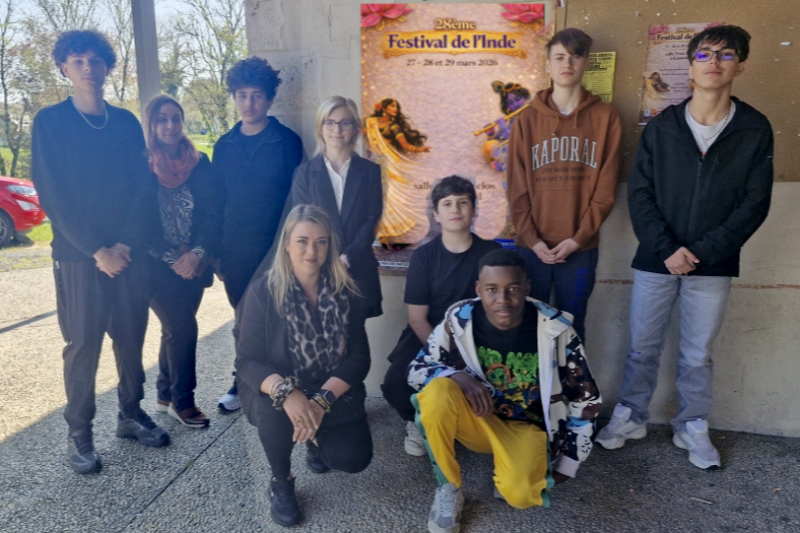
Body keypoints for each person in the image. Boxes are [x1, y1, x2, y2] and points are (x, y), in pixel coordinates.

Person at [596, 25, 774, 470]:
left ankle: (691, 424)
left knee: (697, 354)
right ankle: (631, 415)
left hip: (713, 264)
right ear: (691, 67)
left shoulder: (754, 128)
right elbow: (641, 195)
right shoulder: (663, 126)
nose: (714, 62)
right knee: (642, 346)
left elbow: (755, 202)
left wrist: (704, 252)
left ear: (740, 66)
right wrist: (667, 249)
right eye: (705, 54)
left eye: (726, 55)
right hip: (657, 258)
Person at [32, 30, 168, 474]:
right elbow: (52, 193)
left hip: (128, 255)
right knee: (83, 345)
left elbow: (142, 187)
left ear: (108, 65)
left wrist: (124, 244)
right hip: (78, 257)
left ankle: (130, 415)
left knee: (130, 339)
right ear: (64, 68)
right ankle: (81, 434)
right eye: (78, 61)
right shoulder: (50, 122)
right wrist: (96, 249)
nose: (88, 68)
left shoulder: (125, 123)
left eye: (95, 60)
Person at [407, 249, 601, 533]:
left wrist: (570, 462)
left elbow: (585, 398)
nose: (502, 299)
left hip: (527, 429)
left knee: (521, 495)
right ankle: (448, 487)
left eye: (513, 289)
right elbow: (417, 369)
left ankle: (511, 468)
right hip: (479, 421)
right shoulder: (459, 320)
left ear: (527, 288)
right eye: (491, 289)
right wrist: (458, 377)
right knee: (437, 392)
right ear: (478, 289)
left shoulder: (557, 330)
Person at [236, 204, 373, 527]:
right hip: (278, 383)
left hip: (328, 385)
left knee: (353, 458)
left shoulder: (346, 290)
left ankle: (314, 439)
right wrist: (286, 392)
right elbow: (246, 361)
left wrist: (322, 401)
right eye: (302, 241)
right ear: (286, 244)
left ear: (330, 246)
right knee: (274, 412)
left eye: (321, 242)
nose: (312, 251)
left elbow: (359, 358)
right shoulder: (263, 292)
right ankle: (281, 481)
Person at [506, 27, 622, 342]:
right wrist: (533, 240)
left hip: (580, 248)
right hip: (533, 248)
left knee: (572, 328)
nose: (567, 63)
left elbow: (606, 191)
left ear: (587, 62)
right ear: (548, 64)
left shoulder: (606, 118)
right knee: (528, 327)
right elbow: (516, 190)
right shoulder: (527, 120)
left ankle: (571, 378)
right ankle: (534, 380)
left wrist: (577, 239)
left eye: (575, 56)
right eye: (559, 57)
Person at [381, 176, 500, 456]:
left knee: (494, 381)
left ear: (474, 209)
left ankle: (462, 424)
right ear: (436, 214)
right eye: (447, 204)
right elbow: (417, 318)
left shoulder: (491, 253)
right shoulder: (424, 256)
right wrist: (447, 355)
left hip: (479, 336)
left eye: (462, 202)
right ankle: (417, 420)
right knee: (395, 382)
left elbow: (500, 309)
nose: (455, 209)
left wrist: (469, 354)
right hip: (429, 332)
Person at [213, 56, 304, 412]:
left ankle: (284, 383)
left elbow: (296, 200)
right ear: (234, 98)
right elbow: (217, 202)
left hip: (276, 248)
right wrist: (217, 252)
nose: (248, 103)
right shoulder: (224, 146)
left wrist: (291, 248)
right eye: (242, 95)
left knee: (279, 317)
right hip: (234, 249)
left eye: (256, 95)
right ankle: (244, 383)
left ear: (269, 99)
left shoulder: (287, 142)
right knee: (244, 320)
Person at [144, 94, 221, 428]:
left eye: (175, 118)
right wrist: (175, 258)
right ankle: (182, 401)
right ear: (151, 124)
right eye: (162, 119)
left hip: (195, 265)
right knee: (184, 329)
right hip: (157, 268)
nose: (170, 125)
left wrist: (197, 254)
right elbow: (140, 222)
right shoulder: (143, 165)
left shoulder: (200, 162)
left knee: (174, 330)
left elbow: (214, 212)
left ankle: (164, 393)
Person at [290, 96, 383, 325]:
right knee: (319, 338)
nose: (337, 130)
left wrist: (346, 258)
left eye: (344, 123)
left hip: (357, 269)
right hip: (317, 268)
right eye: (329, 122)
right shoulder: (304, 174)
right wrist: (329, 260)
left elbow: (372, 220)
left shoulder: (370, 172)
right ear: (320, 128)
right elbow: (302, 224)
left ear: (354, 129)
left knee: (356, 340)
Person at [363, 98, 431, 245]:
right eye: (392, 106)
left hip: (389, 164)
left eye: (397, 107)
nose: (396, 109)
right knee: (371, 196)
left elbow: (405, 145)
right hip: (372, 162)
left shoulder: (394, 127)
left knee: (389, 197)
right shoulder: (370, 123)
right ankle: (375, 233)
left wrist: (420, 149)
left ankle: (387, 233)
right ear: (384, 108)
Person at [480, 81, 531, 172]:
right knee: (488, 146)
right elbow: (501, 138)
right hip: (510, 148)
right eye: (510, 102)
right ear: (507, 107)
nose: (515, 104)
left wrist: (504, 128)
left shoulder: (530, 115)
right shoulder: (509, 119)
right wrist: (491, 133)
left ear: (525, 98)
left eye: (518, 98)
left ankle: (508, 165)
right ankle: (503, 163)